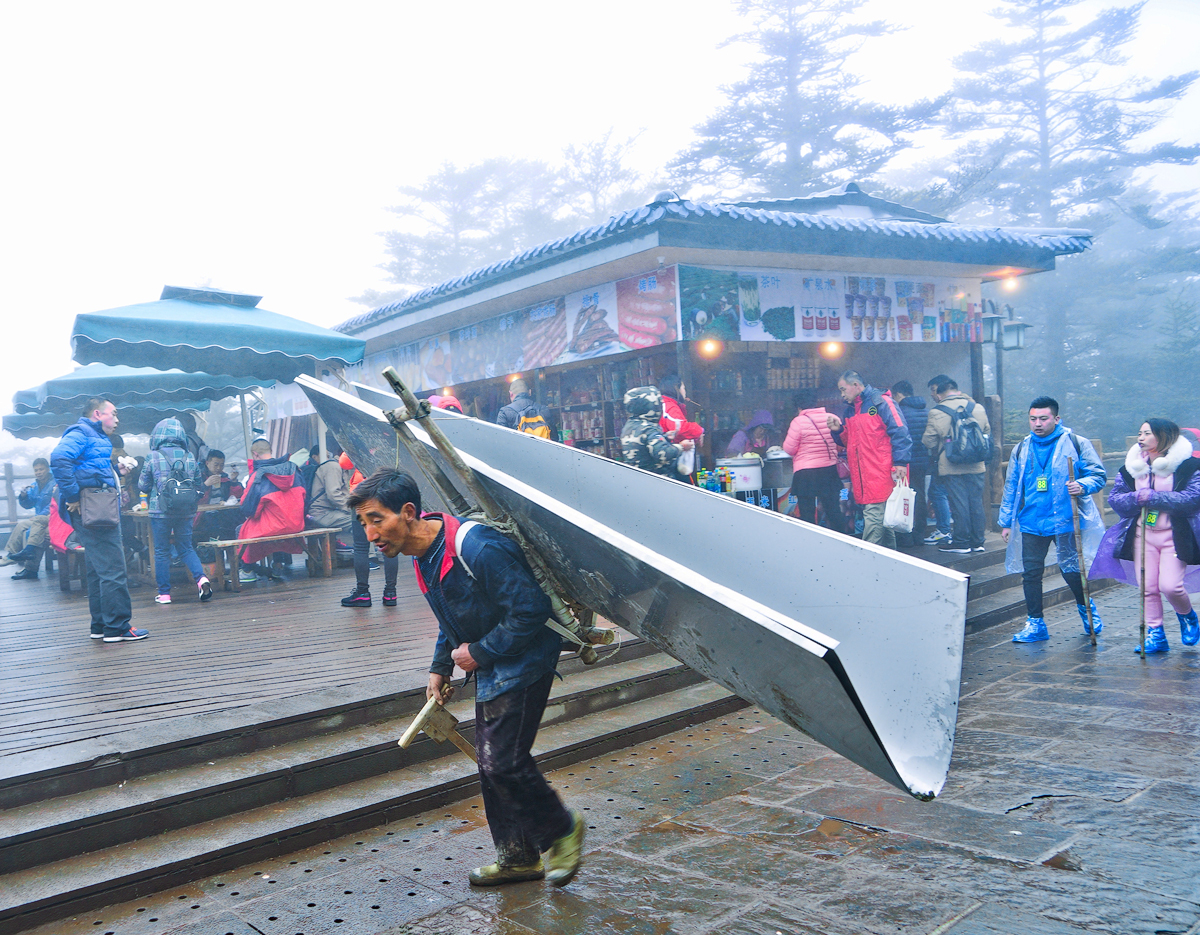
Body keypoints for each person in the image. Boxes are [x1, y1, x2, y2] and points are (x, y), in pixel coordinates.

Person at [348, 469, 584, 886]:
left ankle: (562, 830)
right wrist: (440, 665)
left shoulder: (477, 547)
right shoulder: (422, 553)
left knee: (501, 760)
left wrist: (477, 653)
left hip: (525, 657)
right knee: (491, 765)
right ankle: (517, 858)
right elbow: (452, 613)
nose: (370, 534)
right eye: (364, 523)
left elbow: (530, 609)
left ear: (408, 512)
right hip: (492, 658)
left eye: (376, 519)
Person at [999, 396, 1106, 643]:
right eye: (1033, 418)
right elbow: (1012, 485)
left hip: (1066, 519)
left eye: (1043, 418)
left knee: (1071, 570)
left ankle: (1086, 609)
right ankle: (1035, 623)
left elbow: (1098, 474)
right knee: (1031, 573)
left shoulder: (1076, 443)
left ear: (1056, 419)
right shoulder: (1022, 448)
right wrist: (1006, 521)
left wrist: (1082, 485)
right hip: (1032, 520)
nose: (1037, 423)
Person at [1090, 419, 1200, 653]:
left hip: (1174, 535)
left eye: (1147, 433)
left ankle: (1187, 615)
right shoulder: (1133, 467)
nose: (1141, 438)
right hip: (1142, 535)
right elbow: (1116, 499)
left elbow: (1192, 500)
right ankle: (1155, 634)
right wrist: (1136, 498)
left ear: (1163, 436)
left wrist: (1153, 497)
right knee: (1147, 587)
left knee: (1171, 586)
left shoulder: (1189, 466)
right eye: (1140, 433)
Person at [50, 398, 147, 642]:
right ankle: (118, 627)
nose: (117, 419)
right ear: (97, 414)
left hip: (92, 506)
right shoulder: (82, 433)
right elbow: (59, 459)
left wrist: (115, 471)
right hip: (94, 507)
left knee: (98, 569)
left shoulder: (94, 437)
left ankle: (101, 625)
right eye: (113, 414)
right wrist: (73, 496)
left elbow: (87, 468)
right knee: (114, 568)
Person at [826, 371, 911, 549]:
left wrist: (900, 462)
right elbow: (850, 442)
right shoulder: (851, 410)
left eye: (843, 389)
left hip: (881, 472)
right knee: (884, 522)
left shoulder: (881, 402)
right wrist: (838, 430)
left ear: (856, 385)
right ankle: (890, 561)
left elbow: (900, 431)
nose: (842, 394)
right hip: (868, 474)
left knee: (874, 518)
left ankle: (866, 559)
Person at [136, 418, 212, 605]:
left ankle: (164, 594)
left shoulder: (153, 456)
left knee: (161, 551)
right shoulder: (189, 456)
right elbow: (198, 485)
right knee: (186, 547)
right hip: (185, 511)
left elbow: (143, 486)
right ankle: (201, 579)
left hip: (160, 512)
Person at [924, 377, 991, 554]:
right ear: (957, 390)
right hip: (976, 464)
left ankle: (961, 542)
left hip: (951, 465)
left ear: (940, 394)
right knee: (976, 502)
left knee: (959, 503)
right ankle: (978, 541)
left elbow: (929, 441)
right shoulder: (977, 408)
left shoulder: (936, 412)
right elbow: (986, 431)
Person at [237, 439, 307, 582]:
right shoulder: (293, 470)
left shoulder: (258, 476)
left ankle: (247, 570)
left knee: (242, 529)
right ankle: (278, 564)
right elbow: (306, 499)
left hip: (273, 527)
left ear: (255, 454)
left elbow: (248, 509)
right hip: (296, 524)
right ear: (271, 451)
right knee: (276, 529)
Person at [339, 453, 400, 608]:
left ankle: (362, 593)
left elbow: (344, 463)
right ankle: (390, 593)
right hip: (386, 496)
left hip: (362, 498)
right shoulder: (390, 442)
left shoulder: (356, 441)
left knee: (361, 547)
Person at [781, 398, 846, 533]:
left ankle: (810, 541)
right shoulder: (832, 417)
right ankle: (843, 539)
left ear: (799, 408)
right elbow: (841, 444)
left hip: (805, 473)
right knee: (833, 510)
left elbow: (789, 449)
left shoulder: (798, 422)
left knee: (807, 513)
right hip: (829, 471)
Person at [620, 386, 694, 478]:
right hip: (655, 480)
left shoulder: (629, 426)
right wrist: (681, 447)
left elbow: (644, 446)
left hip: (637, 478)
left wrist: (665, 437)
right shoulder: (649, 428)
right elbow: (662, 454)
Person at [2, 458, 55, 578]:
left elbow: (54, 503)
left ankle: (31, 569)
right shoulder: (34, 485)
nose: (38, 472)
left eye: (41, 469)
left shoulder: (55, 483)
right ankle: (11, 555)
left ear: (48, 469)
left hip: (51, 518)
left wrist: (40, 515)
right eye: (36, 470)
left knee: (32, 532)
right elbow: (28, 505)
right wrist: (24, 495)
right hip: (39, 518)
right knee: (21, 525)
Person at [891, 382, 930, 547]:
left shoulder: (899, 413)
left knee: (902, 498)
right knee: (919, 496)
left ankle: (905, 536)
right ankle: (919, 534)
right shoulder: (926, 411)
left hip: (904, 462)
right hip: (923, 461)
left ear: (898, 394)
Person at [923, 375, 955, 545]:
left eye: (934, 390)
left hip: (945, 460)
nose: (933, 395)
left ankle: (944, 530)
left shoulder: (938, 412)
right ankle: (969, 535)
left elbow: (929, 441)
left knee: (937, 492)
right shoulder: (972, 406)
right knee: (960, 496)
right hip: (968, 462)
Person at [193, 449, 245, 544]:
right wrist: (205, 485)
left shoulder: (224, 478)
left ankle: (233, 549)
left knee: (234, 522)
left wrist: (233, 481)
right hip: (202, 515)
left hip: (221, 512)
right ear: (207, 463)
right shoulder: (198, 477)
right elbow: (193, 497)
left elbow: (234, 496)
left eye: (221, 465)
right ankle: (213, 551)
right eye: (216, 464)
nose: (218, 468)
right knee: (213, 525)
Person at [308, 439, 354, 533]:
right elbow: (333, 495)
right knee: (358, 521)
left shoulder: (339, 467)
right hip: (321, 514)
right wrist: (351, 509)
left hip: (330, 512)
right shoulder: (333, 467)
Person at [658, 375, 703, 445]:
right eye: (684, 388)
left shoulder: (664, 403)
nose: (685, 392)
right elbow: (680, 429)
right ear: (677, 388)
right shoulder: (670, 406)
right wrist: (699, 430)